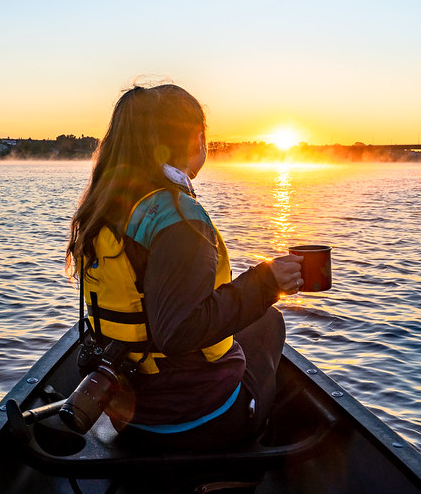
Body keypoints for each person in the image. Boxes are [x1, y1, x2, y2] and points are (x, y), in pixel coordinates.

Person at [66, 83, 304, 450]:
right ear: (194, 140)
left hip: (129, 407)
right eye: (203, 136)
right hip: (189, 421)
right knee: (270, 324)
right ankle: (251, 436)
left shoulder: (106, 206)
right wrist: (266, 283)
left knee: (260, 321)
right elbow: (177, 332)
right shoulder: (179, 219)